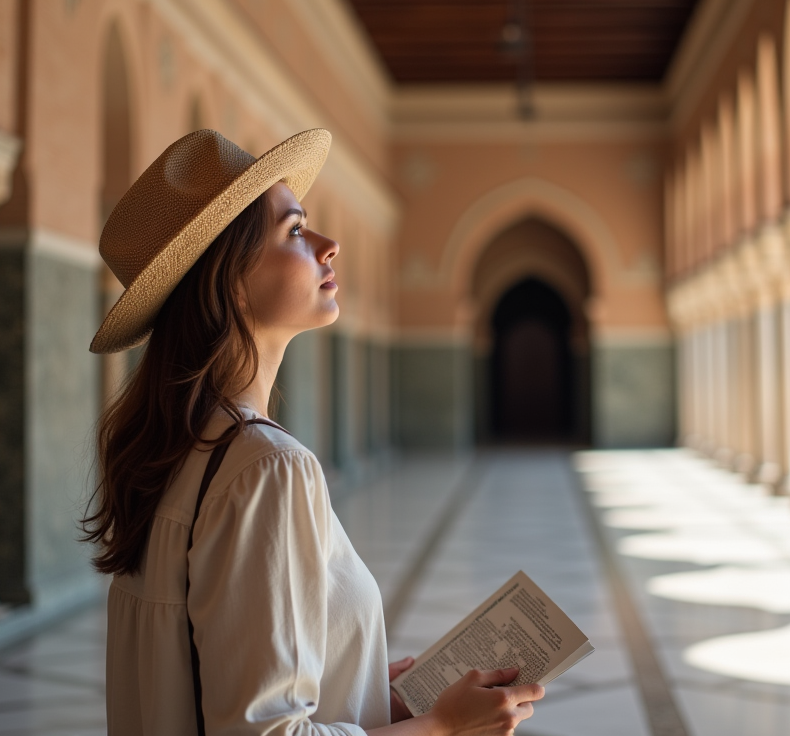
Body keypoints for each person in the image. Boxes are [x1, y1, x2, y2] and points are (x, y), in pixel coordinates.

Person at [83, 129, 545, 736]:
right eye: (295, 231)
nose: (329, 246)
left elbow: (208, 672)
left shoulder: (180, 451)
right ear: (229, 278)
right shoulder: (266, 467)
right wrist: (444, 728)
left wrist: (361, 688)